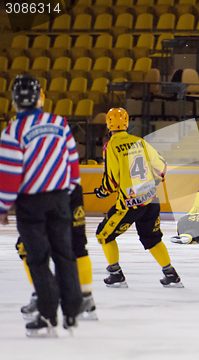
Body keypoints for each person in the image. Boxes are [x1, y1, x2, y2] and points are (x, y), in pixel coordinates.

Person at [0, 74, 82, 337]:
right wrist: (67, 193)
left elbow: (10, 175)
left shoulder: (12, 131)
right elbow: (73, 163)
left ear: (14, 101)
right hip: (60, 198)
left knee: (38, 259)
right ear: (38, 98)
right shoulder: (59, 123)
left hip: (30, 203)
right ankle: (71, 311)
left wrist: (3, 207)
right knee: (64, 254)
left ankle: (48, 314)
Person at [16, 90, 97, 321]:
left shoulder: (19, 127)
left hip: (43, 192)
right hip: (68, 189)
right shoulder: (57, 123)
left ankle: (42, 296)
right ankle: (86, 300)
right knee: (75, 246)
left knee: (30, 247)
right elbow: (73, 159)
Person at [94, 107, 183, 288]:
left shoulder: (111, 146)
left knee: (103, 235)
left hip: (129, 205)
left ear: (108, 124)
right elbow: (162, 167)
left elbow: (111, 180)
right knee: (153, 239)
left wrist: (102, 191)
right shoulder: (140, 142)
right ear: (126, 123)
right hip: (151, 201)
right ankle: (171, 275)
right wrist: (153, 183)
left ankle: (116, 274)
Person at [17, 184, 97, 321]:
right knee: (77, 244)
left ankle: (40, 296)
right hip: (70, 187)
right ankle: (85, 297)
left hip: (42, 192)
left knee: (27, 246)